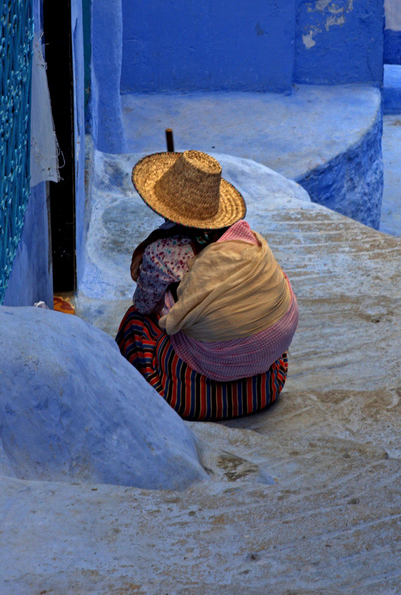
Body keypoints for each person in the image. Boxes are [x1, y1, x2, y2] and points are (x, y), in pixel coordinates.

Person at [116, 149, 298, 421]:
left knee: (135, 322)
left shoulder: (161, 254)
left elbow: (144, 304)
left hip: (190, 399)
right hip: (267, 385)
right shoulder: (243, 240)